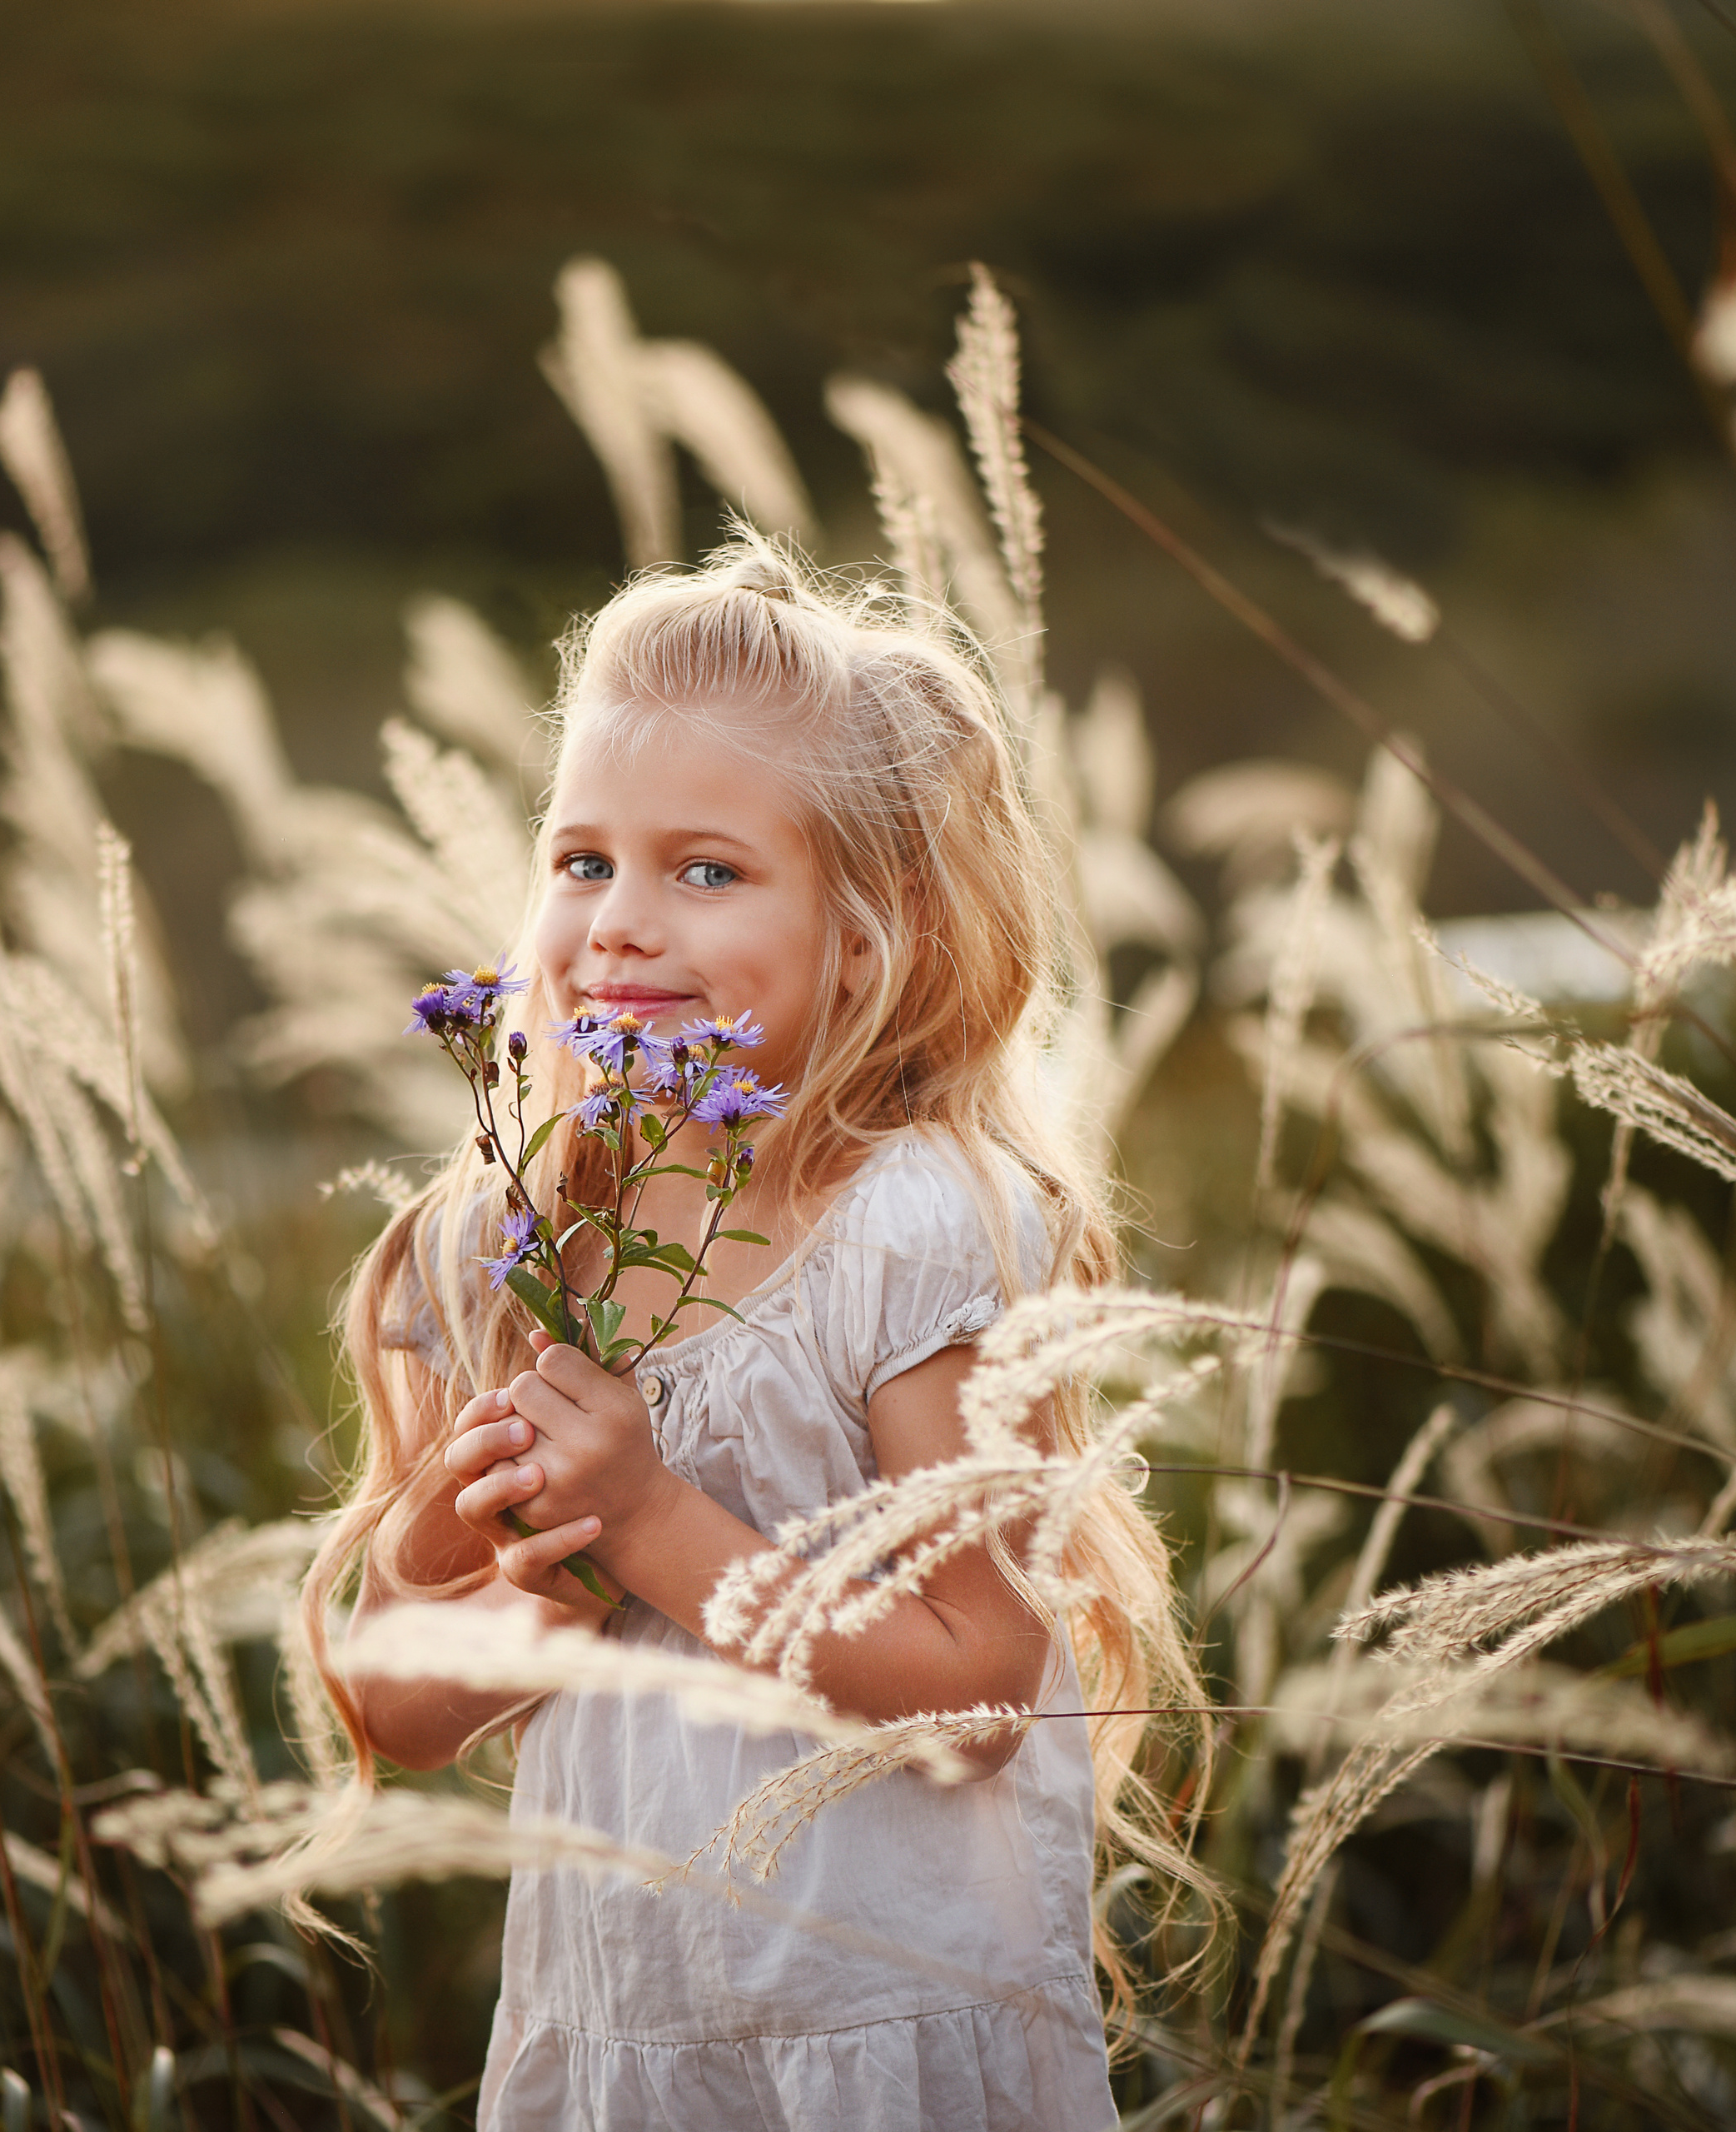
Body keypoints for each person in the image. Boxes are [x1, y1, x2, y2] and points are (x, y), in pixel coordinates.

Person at [301, 535, 1204, 2130]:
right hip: (628, 2040)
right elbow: (398, 1705)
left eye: (707, 872)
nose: (621, 924)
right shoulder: (514, 1241)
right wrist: (523, 1570)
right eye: (584, 861)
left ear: (867, 928)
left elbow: (978, 1695)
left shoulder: (910, 1230)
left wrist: (649, 1519)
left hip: (881, 2031)